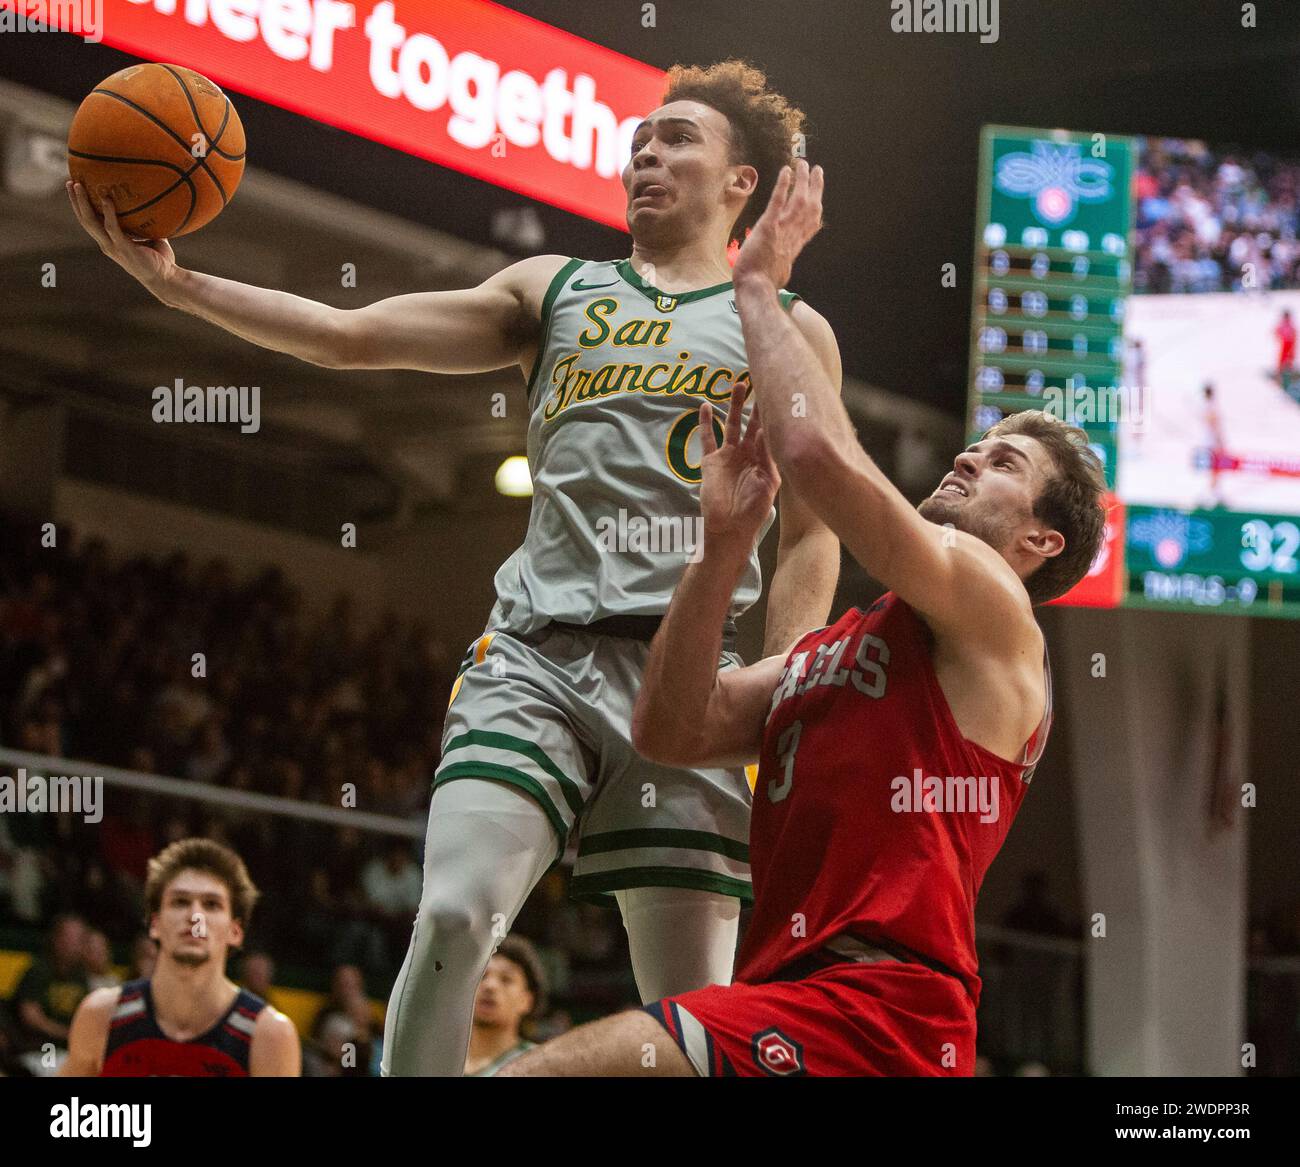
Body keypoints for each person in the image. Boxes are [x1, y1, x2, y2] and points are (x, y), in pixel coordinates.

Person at [67, 59, 842, 1076]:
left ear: (741, 183)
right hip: (536, 662)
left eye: (676, 138)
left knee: (691, 1014)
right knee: (452, 918)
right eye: (639, 140)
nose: (645, 153)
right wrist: (175, 286)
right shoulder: (553, 289)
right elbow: (350, 338)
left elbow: (818, 531)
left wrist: (776, 683)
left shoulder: (786, 328)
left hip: (692, 682)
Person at [501, 161, 1107, 1076]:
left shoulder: (995, 605)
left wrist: (756, 286)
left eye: (1005, 463)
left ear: (1041, 539)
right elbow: (671, 727)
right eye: (975, 445)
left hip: (878, 1004)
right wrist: (720, 550)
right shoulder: (838, 648)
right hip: (792, 995)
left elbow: (819, 452)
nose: (970, 459)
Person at [58, 838, 299, 1076]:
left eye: (211, 905)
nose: (195, 916)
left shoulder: (269, 1035)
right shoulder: (102, 1015)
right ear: (155, 923)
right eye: (180, 902)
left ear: (235, 932)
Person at [11, 914, 90, 1075]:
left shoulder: (80, 977)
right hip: (37, 1050)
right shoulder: (38, 971)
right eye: (69, 937)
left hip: (67, 1052)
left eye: (79, 938)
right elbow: (30, 1016)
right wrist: (66, 1032)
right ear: (56, 939)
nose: (74, 944)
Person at [464, 937, 548, 1077]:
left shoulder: (541, 1064)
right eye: (482, 976)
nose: (490, 986)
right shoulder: (436, 1056)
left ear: (526, 1001)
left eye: (506, 979)